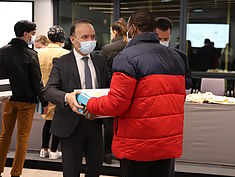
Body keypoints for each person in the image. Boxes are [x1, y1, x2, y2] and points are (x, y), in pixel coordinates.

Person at [85, 9, 186, 177]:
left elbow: (116, 104)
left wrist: (88, 103)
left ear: (132, 29)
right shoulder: (176, 57)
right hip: (167, 144)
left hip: (137, 146)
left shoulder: (127, 57)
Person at [44, 19, 109, 177]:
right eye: (85, 37)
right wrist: (67, 97)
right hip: (70, 125)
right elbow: (49, 90)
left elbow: (108, 88)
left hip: (95, 123)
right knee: (71, 171)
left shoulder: (100, 61)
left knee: (96, 168)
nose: (90, 41)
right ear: (73, 39)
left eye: (93, 37)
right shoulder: (62, 62)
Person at [0, 20, 48, 177]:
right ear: (26, 34)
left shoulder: (2, 51)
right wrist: (44, 101)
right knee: (22, 138)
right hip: (27, 102)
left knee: (5, 135)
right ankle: (16, 173)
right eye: (33, 34)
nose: (33, 37)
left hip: (8, 100)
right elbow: (37, 81)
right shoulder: (31, 55)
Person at [38, 25, 70, 160]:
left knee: (47, 122)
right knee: (57, 122)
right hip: (59, 92)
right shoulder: (66, 54)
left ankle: (43, 149)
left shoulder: (39, 53)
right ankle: (53, 150)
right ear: (62, 38)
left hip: (43, 92)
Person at [100, 18, 127, 164]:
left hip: (111, 89)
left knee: (109, 123)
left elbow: (102, 71)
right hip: (128, 90)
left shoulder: (107, 49)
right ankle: (122, 153)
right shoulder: (130, 46)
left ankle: (107, 154)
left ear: (114, 31)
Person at [154, 17, 192, 90]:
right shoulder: (144, 57)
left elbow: (188, 83)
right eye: (159, 39)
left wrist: (172, 80)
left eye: (166, 39)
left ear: (170, 36)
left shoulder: (180, 56)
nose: (162, 42)